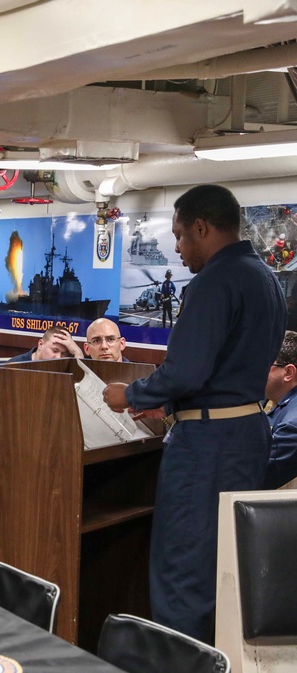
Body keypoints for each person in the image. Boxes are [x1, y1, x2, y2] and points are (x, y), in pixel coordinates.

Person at [102, 184, 285, 644]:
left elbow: (186, 370)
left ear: (202, 227)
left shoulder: (213, 282)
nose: (179, 249)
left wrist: (132, 395)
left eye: (181, 236)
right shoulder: (266, 278)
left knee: (184, 568)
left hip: (207, 448)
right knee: (222, 565)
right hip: (247, 432)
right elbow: (228, 367)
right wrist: (173, 402)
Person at [264, 331, 297, 490]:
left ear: (288, 373)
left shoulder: (293, 423)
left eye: (264, 364)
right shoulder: (265, 400)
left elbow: (261, 472)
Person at [8, 326, 83, 362]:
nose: (58, 357)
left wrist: (78, 352)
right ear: (40, 344)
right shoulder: (15, 365)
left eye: (64, 354)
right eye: (54, 350)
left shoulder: (64, 367)